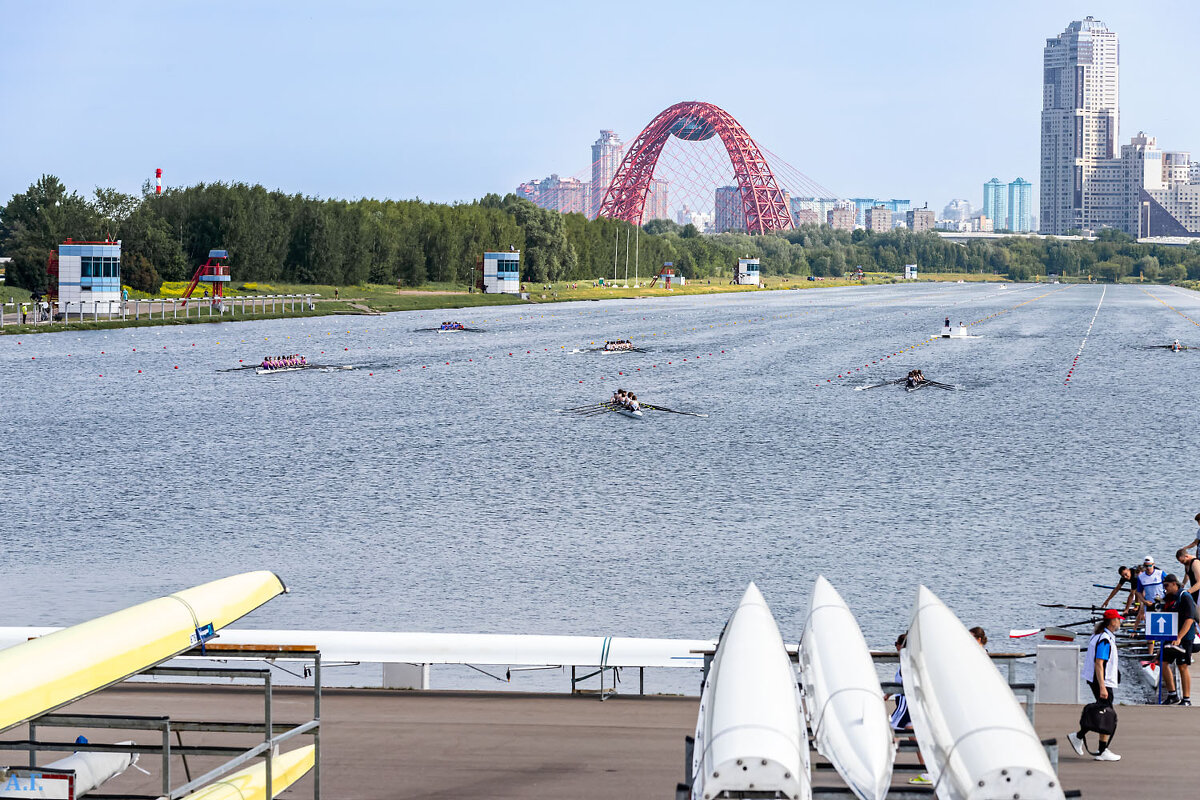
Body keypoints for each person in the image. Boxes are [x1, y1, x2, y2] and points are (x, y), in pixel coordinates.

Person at [1068, 609, 1122, 761]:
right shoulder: (1104, 639)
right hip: (1101, 681)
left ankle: (1081, 738)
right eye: (1118, 619)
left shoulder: (1097, 635)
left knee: (1104, 712)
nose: (1120, 622)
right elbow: (1099, 663)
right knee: (1107, 715)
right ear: (1112, 622)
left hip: (1095, 680)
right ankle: (1099, 749)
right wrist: (1103, 686)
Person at [1160, 573, 1197, 705]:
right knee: (1163, 663)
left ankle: (1186, 699)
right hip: (1171, 636)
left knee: (1182, 666)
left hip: (1185, 637)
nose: (1165, 588)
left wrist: (1180, 637)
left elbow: (1189, 620)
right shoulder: (1169, 597)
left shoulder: (1185, 597)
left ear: (1174, 584)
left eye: (1167, 585)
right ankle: (1172, 695)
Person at [1134, 557, 1165, 624]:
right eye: (1146, 566)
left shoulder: (1160, 573)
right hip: (1149, 604)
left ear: (1153, 564)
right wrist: (1144, 601)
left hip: (1161, 602)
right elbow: (1138, 592)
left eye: (1150, 565)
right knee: (1150, 624)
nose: (1148, 568)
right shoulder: (1141, 577)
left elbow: (1170, 585)